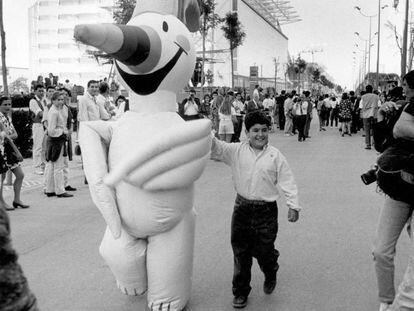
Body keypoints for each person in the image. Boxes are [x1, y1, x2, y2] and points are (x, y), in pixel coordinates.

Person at [211, 111, 300, 309]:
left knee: (263, 251)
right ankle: (241, 291)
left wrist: (293, 205)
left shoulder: (275, 155)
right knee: (241, 252)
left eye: (264, 130)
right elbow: (214, 148)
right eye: (255, 131)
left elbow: (287, 181)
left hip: (266, 211)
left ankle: (271, 268)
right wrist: (204, 131)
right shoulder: (235, 151)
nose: (260, 134)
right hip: (242, 208)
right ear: (247, 132)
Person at [373, 72, 414, 311]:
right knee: (380, 250)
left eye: (407, 86)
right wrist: (381, 116)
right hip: (400, 188)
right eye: (404, 86)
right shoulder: (404, 109)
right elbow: (384, 144)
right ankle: (386, 300)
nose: (404, 90)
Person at [0, 97, 29, 210]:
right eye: (5, 104)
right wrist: (6, 136)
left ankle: (17, 199)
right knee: (1, 178)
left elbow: (14, 134)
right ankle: (1, 203)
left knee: (20, 175)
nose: (8, 106)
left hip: (9, 150)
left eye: (9, 104)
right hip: (1, 150)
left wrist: (7, 137)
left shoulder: (7, 118)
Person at [44, 91, 73, 198]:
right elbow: (51, 130)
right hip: (56, 140)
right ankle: (60, 190)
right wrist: (63, 132)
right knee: (58, 166)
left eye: (62, 99)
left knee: (53, 165)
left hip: (58, 139)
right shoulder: (54, 112)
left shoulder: (61, 109)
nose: (61, 101)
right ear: (53, 100)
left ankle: (50, 189)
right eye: (58, 100)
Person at [29, 84, 47, 175]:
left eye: (42, 91)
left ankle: (43, 166)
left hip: (44, 125)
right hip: (38, 125)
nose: (41, 92)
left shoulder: (44, 100)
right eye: (39, 91)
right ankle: (37, 167)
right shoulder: (33, 101)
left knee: (44, 147)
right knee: (38, 147)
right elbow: (40, 113)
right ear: (35, 91)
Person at [360, 84, 380, 149]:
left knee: (367, 130)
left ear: (366, 90)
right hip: (374, 115)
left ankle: (368, 145)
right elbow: (379, 105)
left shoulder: (363, 97)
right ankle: (374, 143)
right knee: (375, 130)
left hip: (366, 115)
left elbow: (360, 106)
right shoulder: (376, 96)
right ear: (372, 90)